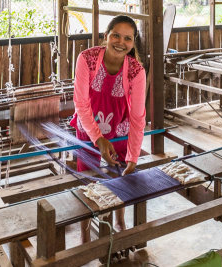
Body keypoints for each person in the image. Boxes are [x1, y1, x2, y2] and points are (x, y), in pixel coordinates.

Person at [70, 15, 146, 243]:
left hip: (120, 124)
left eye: (127, 38)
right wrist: (98, 138)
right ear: (106, 36)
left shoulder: (136, 71)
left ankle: (119, 219)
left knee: (120, 170)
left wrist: (133, 156)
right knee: (87, 174)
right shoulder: (87, 59)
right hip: (89, 124)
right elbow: (82, 104)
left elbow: (137, 117)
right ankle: (85, 228)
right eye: (116, 35)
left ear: (133, 43)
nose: (121, 42)